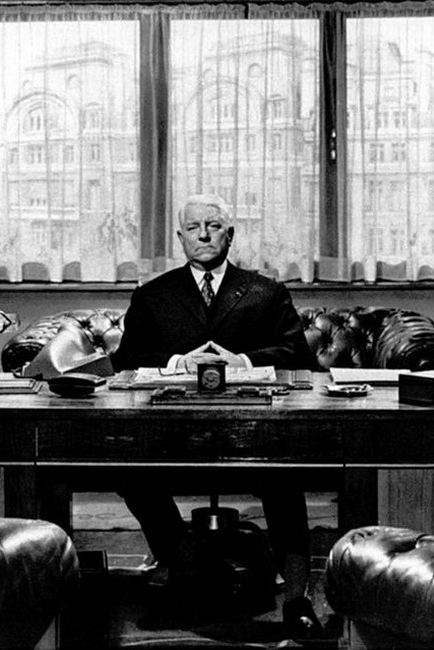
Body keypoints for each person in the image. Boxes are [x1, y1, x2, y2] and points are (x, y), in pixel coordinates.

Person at [110, 193, 321, 640]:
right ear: (180, 237)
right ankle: (186, 562)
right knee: (130, 473)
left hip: (252, 432)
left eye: (213, 226)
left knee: (286, 477)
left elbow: (296, 353)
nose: (203, 235)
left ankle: (296, 599)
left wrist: (241, 361)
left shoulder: (265, 291)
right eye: (193, 228)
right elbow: (126, 359)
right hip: (171, 432)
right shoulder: (152, 295)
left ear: (230, 234)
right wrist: (178, 362)